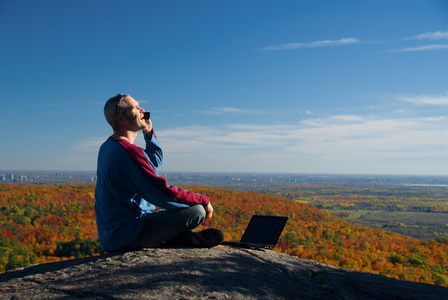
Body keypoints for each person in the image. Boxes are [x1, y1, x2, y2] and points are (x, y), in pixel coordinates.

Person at [95, 93, 224, 252]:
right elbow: (161, 193)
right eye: (135, 107)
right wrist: (203, 200)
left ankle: (178, 236)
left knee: (183, 210)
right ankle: (177, 238)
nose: (142, 110)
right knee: (197, 211)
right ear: (120, 118)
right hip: (129, 233)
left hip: (113, 235)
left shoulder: (108, 147)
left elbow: (153, 161)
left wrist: (149, 133)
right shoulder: (128, 152)